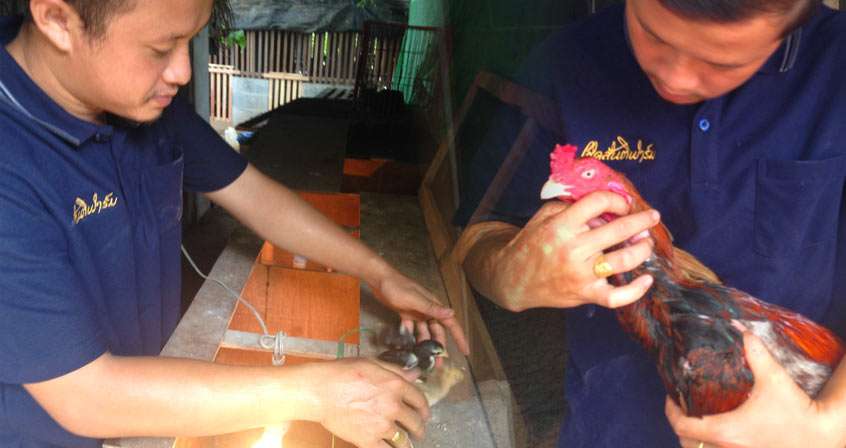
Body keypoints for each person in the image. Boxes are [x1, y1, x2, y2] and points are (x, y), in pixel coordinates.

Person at [0, 0, 470, 447]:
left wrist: (379, 273)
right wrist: (315, 393)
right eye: (160, 48)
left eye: (188, 41)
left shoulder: (134, 102)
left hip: (159, 393)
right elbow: (86, 395)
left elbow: (255, 196)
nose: (183, 72)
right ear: (58, 20)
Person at [455, 0, 846, 447]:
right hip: (605, 425)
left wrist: (826, 426)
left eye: (723, 61)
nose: (675, 77)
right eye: (652, 33)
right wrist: (510, 274)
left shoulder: (837, 67)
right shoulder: (562, 64)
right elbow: (477, 233)